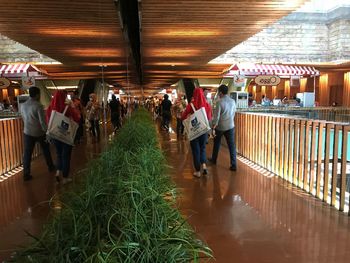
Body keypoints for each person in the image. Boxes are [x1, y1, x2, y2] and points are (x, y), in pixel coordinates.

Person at [20, 86, 55, 181]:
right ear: (37, 95)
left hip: (27, 132)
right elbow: (42, 122)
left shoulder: (23, 105)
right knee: (46, 150)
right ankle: (51, 166)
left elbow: (23, 118)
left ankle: (26, 174)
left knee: (27, 153)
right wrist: (47, 132)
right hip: (39, 132)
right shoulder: (38, 106)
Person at [46, 91, 81, 184]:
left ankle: (58, 172)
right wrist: (72, 107)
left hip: (55, 134)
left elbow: (48, 121)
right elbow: (77, 118)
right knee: (66, 156)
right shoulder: (67, 107)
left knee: (59, 154)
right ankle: (65, 178)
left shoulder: (50, 108)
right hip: (66, 135)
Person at [181, 88, 212, 178]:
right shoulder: (207, 105)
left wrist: (189, 116)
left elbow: (183, 117)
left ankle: (198, 171)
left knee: (196, 150)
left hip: (194, 131)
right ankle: (204, 166)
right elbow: (209, 118)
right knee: (202, 148)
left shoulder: (191, 105)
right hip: (204, 130)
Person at [209, 84, 237, 171]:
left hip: (220, 127)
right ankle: (234, 165)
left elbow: (216, 117)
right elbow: (234, 113)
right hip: (230, 126)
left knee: (217, 144)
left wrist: (213, 126)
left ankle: (214, 160)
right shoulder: (233, 101)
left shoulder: (219, 102)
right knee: (231, 146)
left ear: (220, 92)